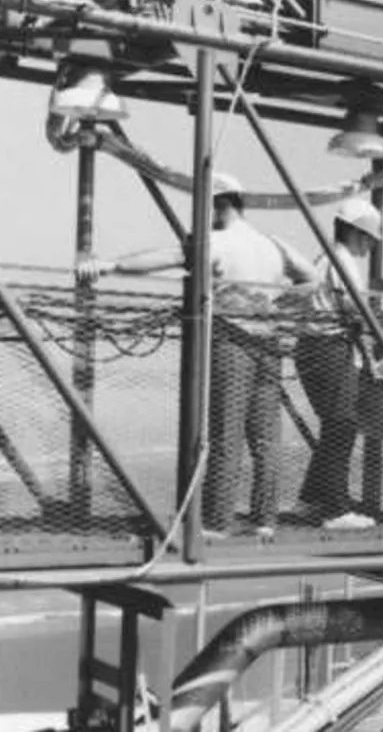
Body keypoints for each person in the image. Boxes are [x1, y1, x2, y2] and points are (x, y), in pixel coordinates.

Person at [78, 173, 317, 539]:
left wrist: (111, 265)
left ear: (219, 204)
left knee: (226, 433)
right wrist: (277, 302)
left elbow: (166, 257)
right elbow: (312, 277)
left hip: (232, 341)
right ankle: (266, 521)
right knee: (266, 439)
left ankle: (216, 522)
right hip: (269, 343)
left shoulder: (216, 242)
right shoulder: (273, 244)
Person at [292, 197, 383, 530]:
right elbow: (354, 309)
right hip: (328, 347)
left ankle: (311, 499)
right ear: (357, 232)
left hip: (317, 346)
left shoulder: (328, 259)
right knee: (342, 424)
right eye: (370, 237)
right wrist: (378, 337)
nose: (372, 245)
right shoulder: (341, 261)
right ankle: (335, 509)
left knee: (336, 424)